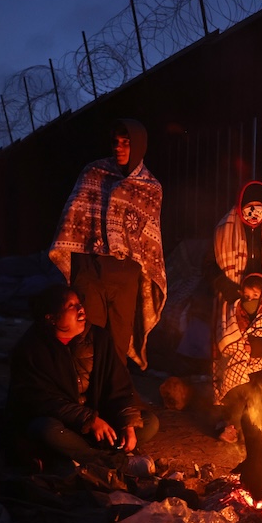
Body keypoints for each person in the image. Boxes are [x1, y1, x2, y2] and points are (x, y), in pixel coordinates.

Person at [49, 118, 167, 371]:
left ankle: (114, 392)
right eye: (116, 142)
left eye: (126, 142)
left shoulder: (150, 188)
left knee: (118, 345)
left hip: (124, 277)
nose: (119, 148)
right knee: (87, 341)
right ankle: (84, 391)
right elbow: (74, 220)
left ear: (139, 146)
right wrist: (83, 268)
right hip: (91, 272)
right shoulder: (93, 174)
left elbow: (148, 240)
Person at [6, 284, 159, 474]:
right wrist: (88, 420)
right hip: (64, 424)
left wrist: (127, 424)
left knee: (149, 422)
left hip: (98, 423)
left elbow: (119, 386)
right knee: (45, 429)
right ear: (51, 318)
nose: (81, 309)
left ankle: (77, 456)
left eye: (79, 303)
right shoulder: (31, 350)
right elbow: (42, 402)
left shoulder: (99, 339)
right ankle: (113, 462)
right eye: (71, 306)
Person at [204, 180, 262, 442]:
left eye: (259, 207)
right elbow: (209, 267)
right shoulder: (223, 231)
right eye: (249, 207)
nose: (254, 213)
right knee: (235, 363)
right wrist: (228, 289)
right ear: (239, 206)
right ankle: (232, 421)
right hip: (234, 304)